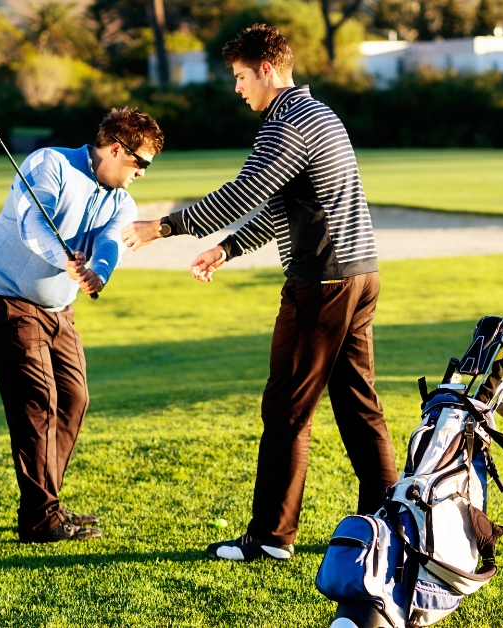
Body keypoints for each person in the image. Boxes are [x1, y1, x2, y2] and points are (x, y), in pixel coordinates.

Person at [119, 24, 398, 561]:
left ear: (268, 70)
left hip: (321, 283)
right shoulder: (321, 115)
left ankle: (271, 538)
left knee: (287, 410)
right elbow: (280, 206)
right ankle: (387, 522)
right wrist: (227, 250)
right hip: (360, 275)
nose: (238, 87)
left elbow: (245, 192)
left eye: (242, 76)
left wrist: (166, 226)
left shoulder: (285, 122)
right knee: (359, 404)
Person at [0, 108, 164, 543]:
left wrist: (98, 271)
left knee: (74, 398)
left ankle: (45, 506)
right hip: (4, 298)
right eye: (141, 163)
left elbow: (111, 241)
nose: (143, 173)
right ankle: (41, 519)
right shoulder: (50, 164)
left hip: (59, 309)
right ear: (116, 149)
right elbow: (32, 223)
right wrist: (64, 260)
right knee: (39, 399)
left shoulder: (120, 199)